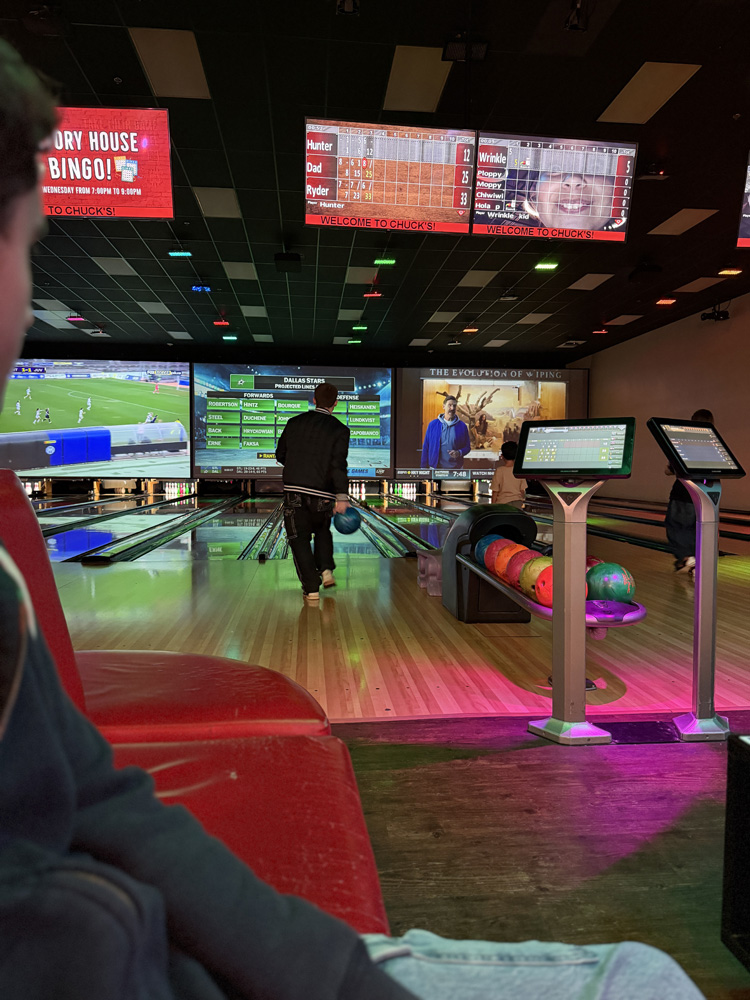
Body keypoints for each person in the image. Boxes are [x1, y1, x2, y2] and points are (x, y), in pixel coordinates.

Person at [0, 37, 706, 1000]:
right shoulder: (329, 428)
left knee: (303, 542)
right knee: (642, 979)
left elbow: (88, 802)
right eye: (26, 244)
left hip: (293, 506)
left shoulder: (289, 429)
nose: (28, 289)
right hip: (149, 955)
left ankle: (314, 580)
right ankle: (322, 579)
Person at [275, 382, 350, 601]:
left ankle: (311, 589)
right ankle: (326, 569)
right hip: (323, 495)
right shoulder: (340, 430)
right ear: (335, 403)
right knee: (322, 530)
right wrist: (341, 496)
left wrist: (298, 466)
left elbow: (280, 454)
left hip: (294, 492)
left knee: (298, 539)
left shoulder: (294, 422)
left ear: (314, 400)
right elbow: (338, 465)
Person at [664, 408, 714, 574]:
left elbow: (670, 470)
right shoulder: (713, 444)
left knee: (677, 526)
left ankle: (686, 558)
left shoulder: (684, 443)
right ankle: (694, 561)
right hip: (704, 494)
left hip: (683, 494)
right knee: (696, 528)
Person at [420, 395, 471, 470]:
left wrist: (459, 452)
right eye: (449, 405)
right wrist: (423, 468)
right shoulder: (432, 425)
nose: (452, 408)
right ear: (444, 406)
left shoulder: (462, 426)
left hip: (456, 469)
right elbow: (426, 447)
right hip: (435, 469)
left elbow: (467, 447)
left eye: (454, 406)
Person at [490, 441, 526, 508]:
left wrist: (493, 506)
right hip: (517, 503)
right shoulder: (518, 470)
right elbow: (522, 491)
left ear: (502, 456)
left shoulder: (499, 471)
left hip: (502, 504)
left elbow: (495, 491)